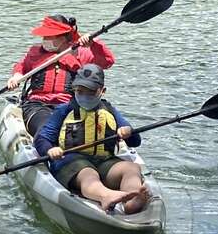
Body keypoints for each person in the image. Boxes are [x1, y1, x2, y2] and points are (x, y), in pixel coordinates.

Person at [34, 64, 150, 214]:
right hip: (71, 162)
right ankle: (105, 195)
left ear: (102, 91)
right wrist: (50, 149)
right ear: (74, 90)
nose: (84, 96)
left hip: (103, 161)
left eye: (90, 92)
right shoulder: (64, 110)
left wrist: (129, 132)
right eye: (80, 91)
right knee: (88, 174)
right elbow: (42, 138)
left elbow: (135, 142)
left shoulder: (109, 110)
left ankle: (133, 198)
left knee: (131, 168)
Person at [7, 15, 115, 136]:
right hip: (38, 105)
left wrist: (93, 43)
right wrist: (16, 76)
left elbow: (107, 61)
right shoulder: (35, 52)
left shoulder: (82, 52)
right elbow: (21, 66)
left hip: (70, 104)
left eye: (48, 36)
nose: (44, 39)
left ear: (63, 37)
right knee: (46, 129)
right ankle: (47, 146)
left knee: (75, 132)